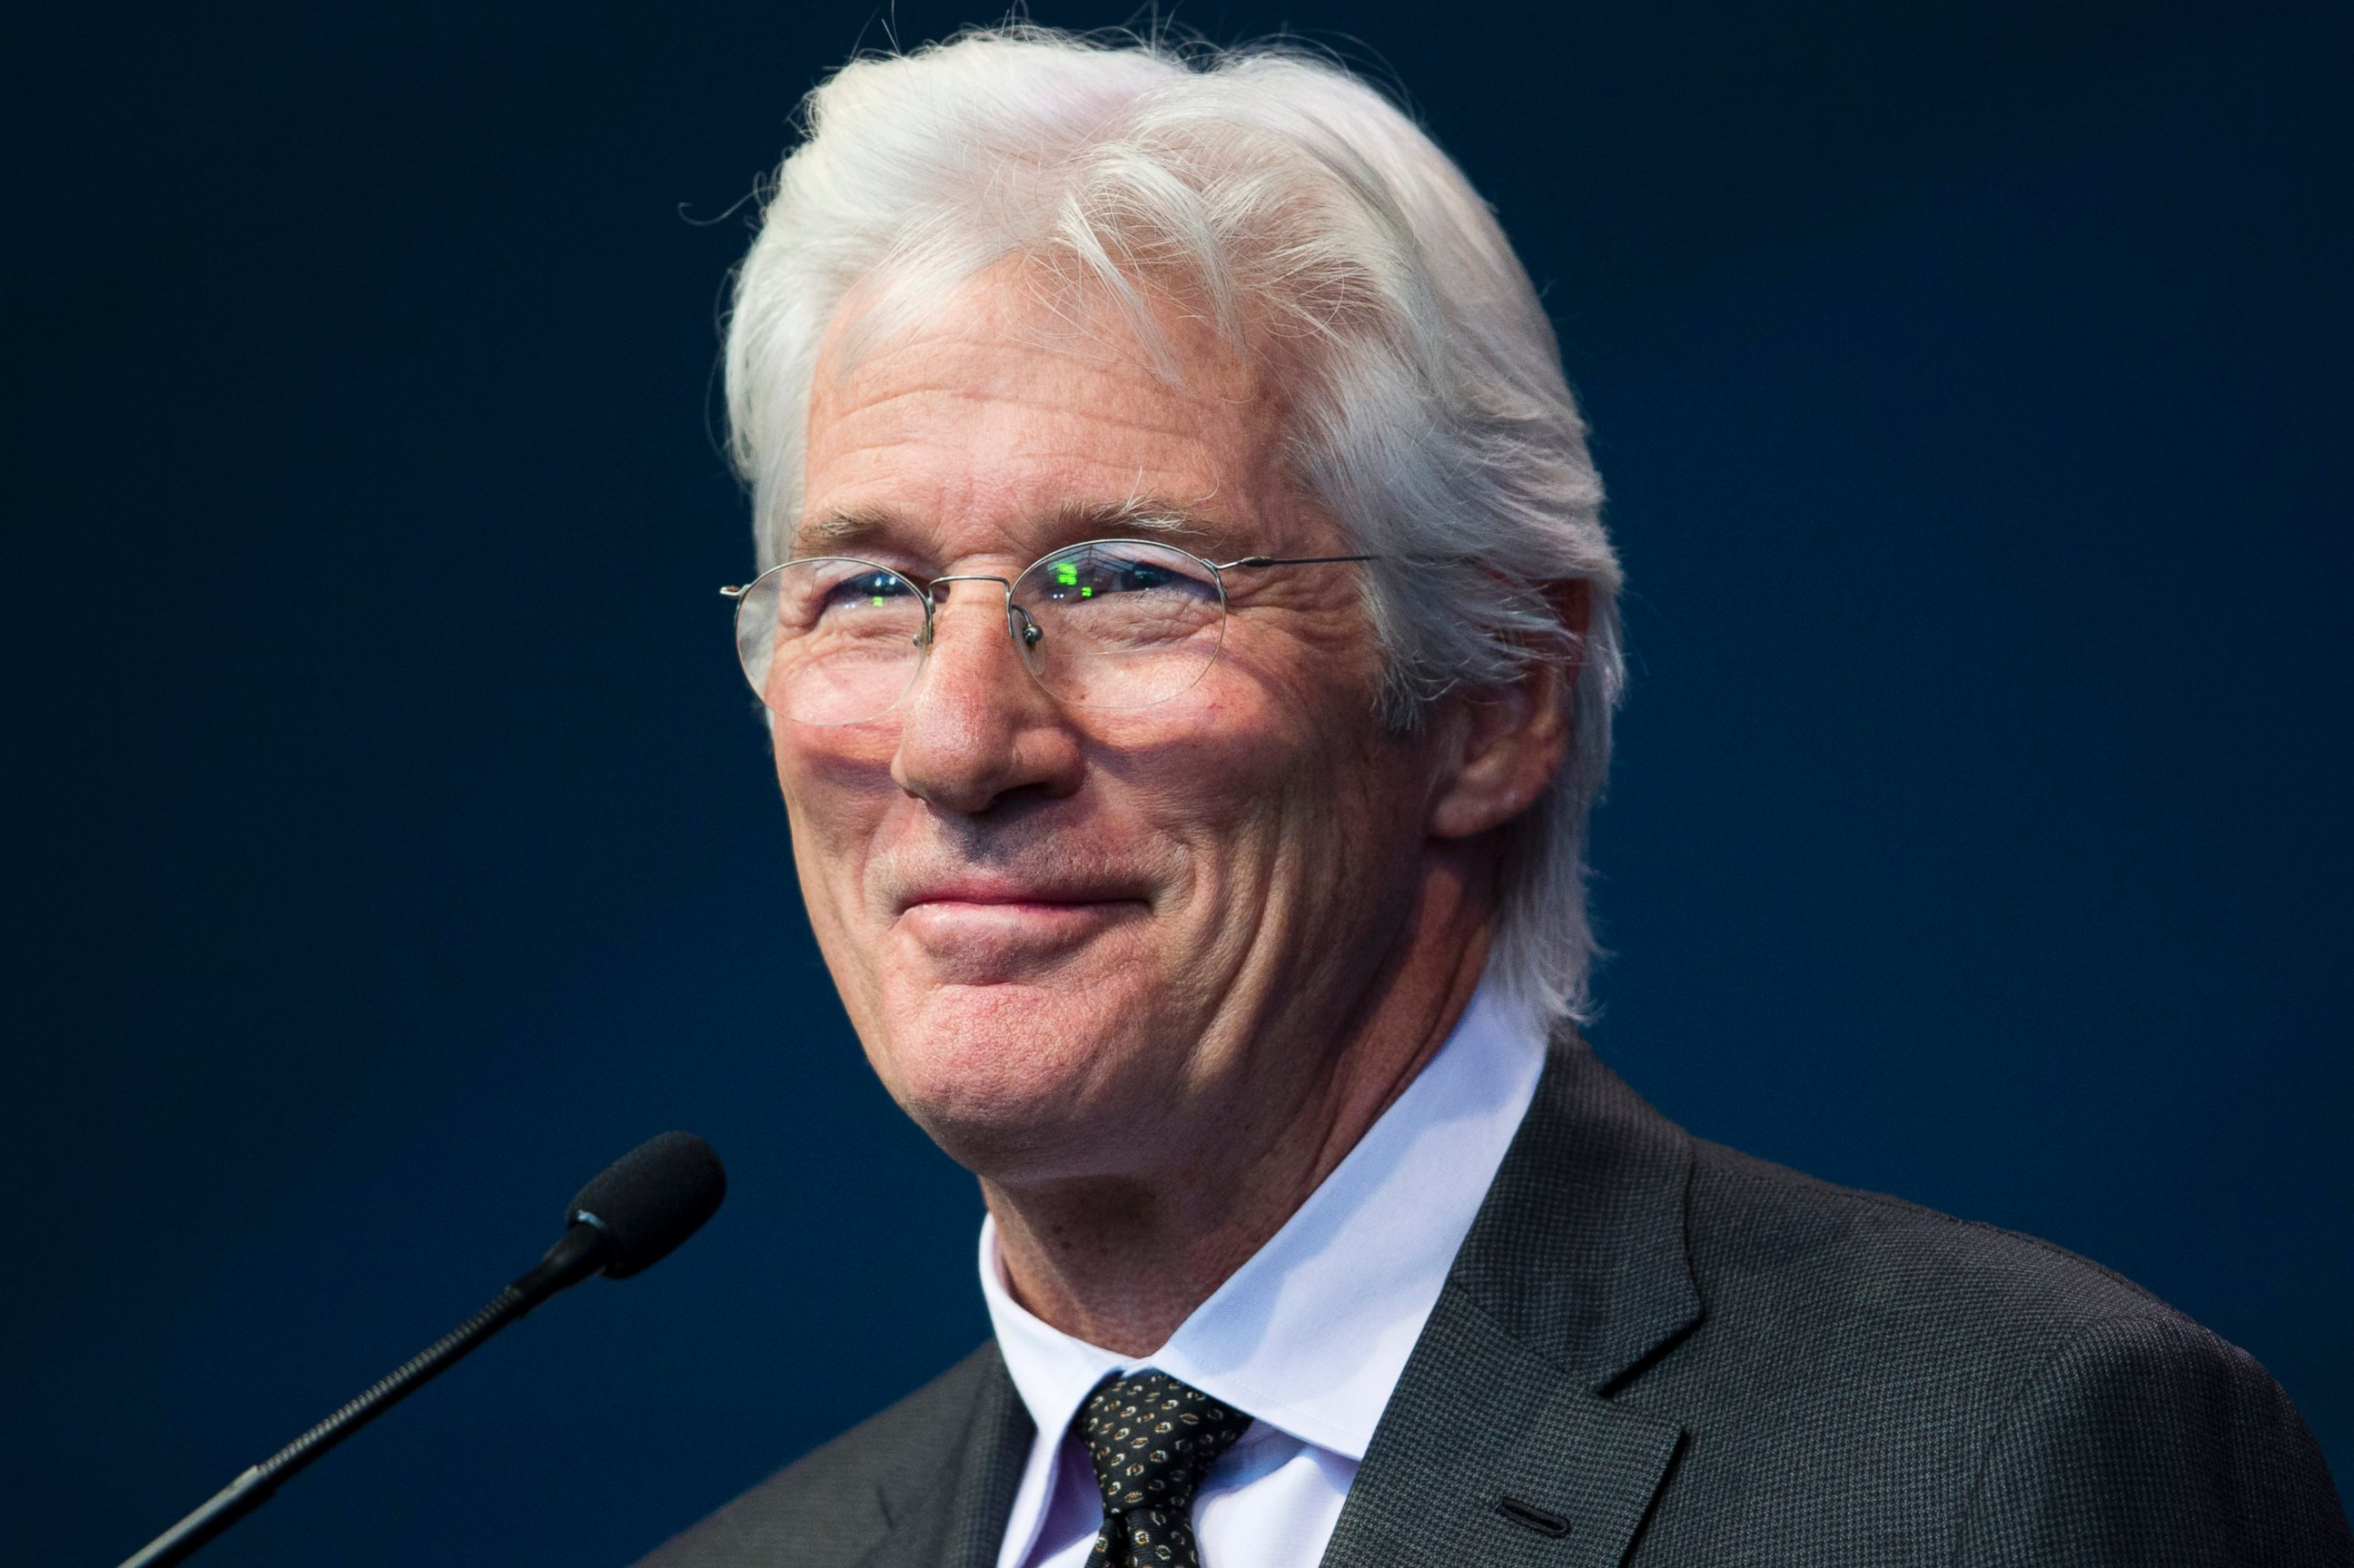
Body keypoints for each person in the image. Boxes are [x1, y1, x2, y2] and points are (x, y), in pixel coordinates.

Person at [638, 27, 2349, 1568]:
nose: (955, 743)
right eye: (868, 590)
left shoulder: (1999, 1474)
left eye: (1128, 581)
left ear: (1495, 701)